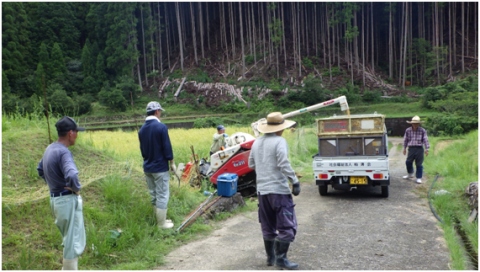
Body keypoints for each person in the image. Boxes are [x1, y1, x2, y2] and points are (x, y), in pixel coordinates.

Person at [248, 112, 301, 270]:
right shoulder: (279, 141)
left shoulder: (256, 142)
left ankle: (270, 258)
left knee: (268, 225)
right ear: (280, 128)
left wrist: (264, 168)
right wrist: (295, 180)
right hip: (278, 190)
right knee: (287, 227)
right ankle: (281, 259)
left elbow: (251, 164)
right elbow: (283, 163)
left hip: (262, 191)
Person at [37, 116, 86, 270]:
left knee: (68, 239)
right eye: (76, 132)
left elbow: (40, 169)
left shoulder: (50, 148)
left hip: (55, 200)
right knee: (72, 242)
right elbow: (71, 175)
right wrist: (76, 189)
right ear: (70, 133)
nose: (77, 135)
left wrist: (54, 184)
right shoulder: (64, 153)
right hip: (66, 200)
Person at [138, 101, 176, 229]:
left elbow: (143, 151)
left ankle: (159, 219)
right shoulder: (161, 127)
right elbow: (167, 147)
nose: (160, 114)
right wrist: (172, 162)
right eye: (160, 112)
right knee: (162, 194)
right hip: (160, 168)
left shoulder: (142, 129)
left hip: (147, 167)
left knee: (153, 194)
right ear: (156, 112)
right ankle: (161, 223)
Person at [403, 115, 430, 184]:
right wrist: (404, 148)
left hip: (419, 149)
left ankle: (418, 178)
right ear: (411, 123)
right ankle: (410, 173)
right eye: (414, 123)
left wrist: (427, 149)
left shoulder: (422, 130)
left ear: (419, 124)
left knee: (419, 164)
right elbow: (405, 139)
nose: (415, 125)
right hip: (411, 148)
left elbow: (425, 139)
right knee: (408, 162)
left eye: (417, 123)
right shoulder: (408, 130)